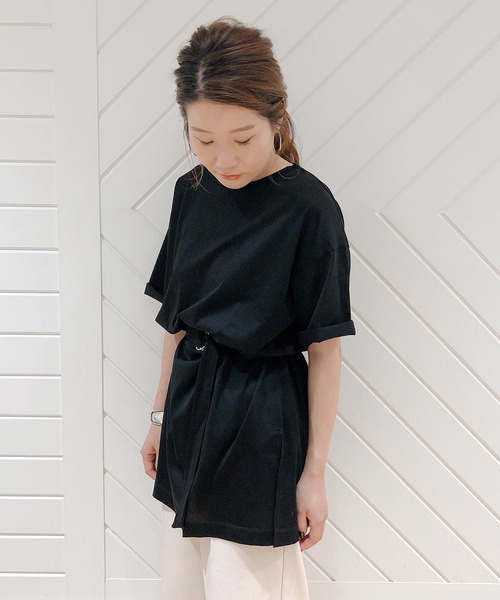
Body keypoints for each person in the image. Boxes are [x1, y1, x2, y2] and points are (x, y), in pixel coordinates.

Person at [140, 15, 356, 600]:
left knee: (252, 587)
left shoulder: (309, 208)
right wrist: (159, 417)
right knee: (182, 586)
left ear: (276, 119)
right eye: (203, 139)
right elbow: (176, 323)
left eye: (242, 139)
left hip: (262, 425)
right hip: (188, 414)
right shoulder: (190, 192)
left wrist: (314, 475)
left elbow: (325, 351)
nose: (223, 159)